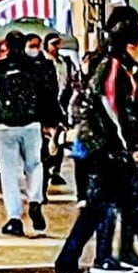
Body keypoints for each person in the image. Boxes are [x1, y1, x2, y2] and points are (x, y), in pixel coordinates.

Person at [53, 9, 138, 273]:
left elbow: (131, 107)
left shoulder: (121, 69)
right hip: (108, 152)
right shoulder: (112, 68)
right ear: (129, 46)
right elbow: (111, 111)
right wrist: (126, 146)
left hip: (112, 150)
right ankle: (68, 261)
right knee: (103, 209)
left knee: (133, 207)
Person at [0, 29, 61, 237]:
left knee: (9, 173)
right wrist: (51, 121)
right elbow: (48, 94)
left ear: (7, 46)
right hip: (32, 124)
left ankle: (14, 218)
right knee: (35, 164)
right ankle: (36, 199)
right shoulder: (36, 68)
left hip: (4, 127)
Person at [42, 33, 78, 191]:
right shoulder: (41, 64)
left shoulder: (65, 63)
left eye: (58, 44)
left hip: (62, 105)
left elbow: (72, 82)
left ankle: (55, 170)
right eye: (53, 44)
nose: (56, 47)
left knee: (61, 139)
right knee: (46, 141)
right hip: (46, 106)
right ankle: (45, 168)